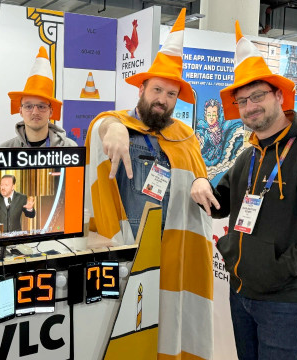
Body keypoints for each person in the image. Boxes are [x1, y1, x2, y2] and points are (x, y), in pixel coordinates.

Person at [190, 21, 297, 360]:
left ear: (279, 95)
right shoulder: (248, 155)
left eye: (258, 96)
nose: (250, 107)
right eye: (243, 100)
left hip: (286, 300)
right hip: (242, 292)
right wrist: (199, 181)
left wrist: (281, 268)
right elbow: (219, 205)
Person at [86, 9, 213, 359]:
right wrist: (111, 126)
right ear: (142, 89)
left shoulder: (185, 136)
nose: (163, 99)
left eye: (171, 94)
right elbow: (101, 129)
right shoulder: (119, 125)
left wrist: (201, 179)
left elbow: (196, 169)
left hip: (172, 248)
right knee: (125, 331)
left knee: (166, 323)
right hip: (129, 248)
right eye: (157, 89)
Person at [1, 47, 77, 147]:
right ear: (20, 111)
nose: (35, 112)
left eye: (42, 106)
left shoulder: (69, 148)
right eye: (28, 106)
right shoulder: (5, 150)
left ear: (51, 111)